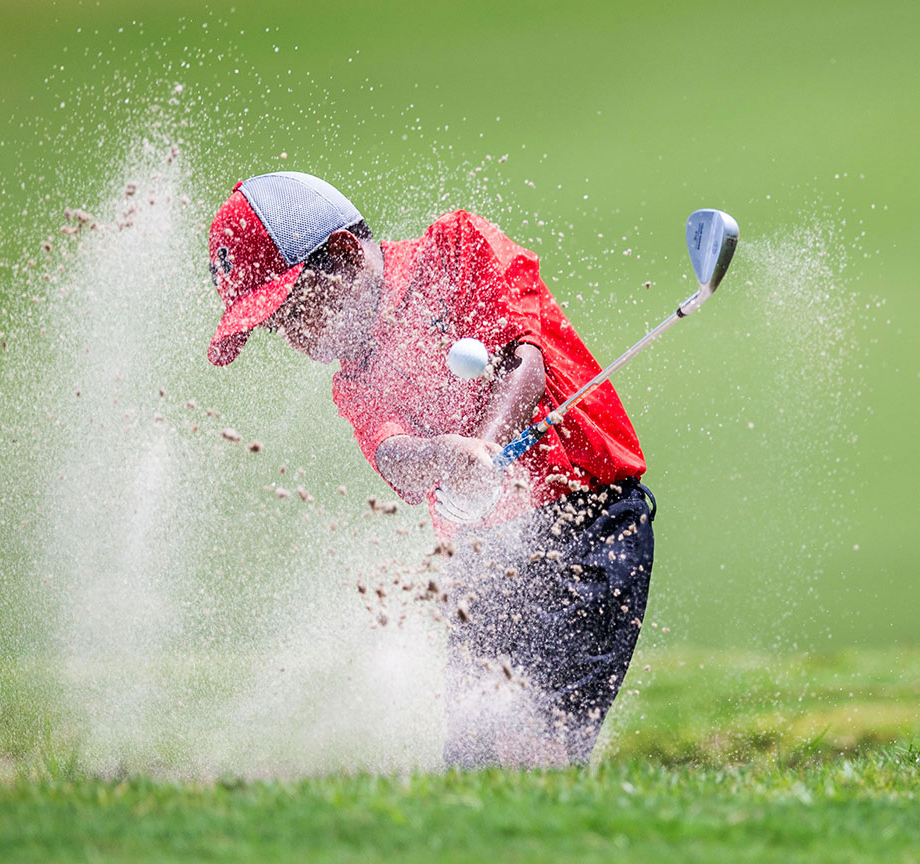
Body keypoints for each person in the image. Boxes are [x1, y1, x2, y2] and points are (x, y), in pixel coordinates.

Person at [206, 171, 656, 767]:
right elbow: (395, 456)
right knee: (473, 763)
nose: (291, 337)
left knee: (538, 753)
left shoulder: (458, 248)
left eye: (293, 310)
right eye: (275, 327)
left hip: (590, 529)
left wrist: (484, 448)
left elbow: (524, 361)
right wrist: (447, 455)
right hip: (485, 562)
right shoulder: (354, 380)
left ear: (342, 257)